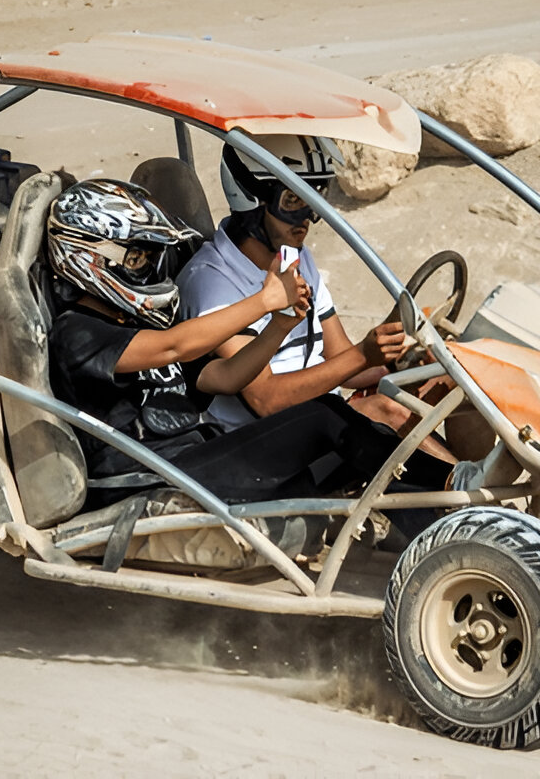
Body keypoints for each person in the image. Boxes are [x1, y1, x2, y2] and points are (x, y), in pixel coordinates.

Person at [46, 178, 450, 510]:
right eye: (137, 258)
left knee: (336, 429)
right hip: (138, 476)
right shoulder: (78, 334)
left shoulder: (135, 320)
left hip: (191, 455)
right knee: (322, 415)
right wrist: (263, 301)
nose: (150, 268)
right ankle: (449, 492)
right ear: (89, 257)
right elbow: (173, 348)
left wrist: (277, 325)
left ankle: (445, 505)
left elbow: (225, 377)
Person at [176, 134, 454, 461]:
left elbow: (342, 362)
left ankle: (481, 483)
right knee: (388, 412)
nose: (307, 217)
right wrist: (365, 355)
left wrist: (400, 360)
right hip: (260, 445)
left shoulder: (295, 257)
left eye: (313, 198)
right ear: (250, 200)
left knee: (452, 379)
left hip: (323, 415)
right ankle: (480, 504)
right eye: (292, 201)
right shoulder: (212, 283)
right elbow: (267, 401)